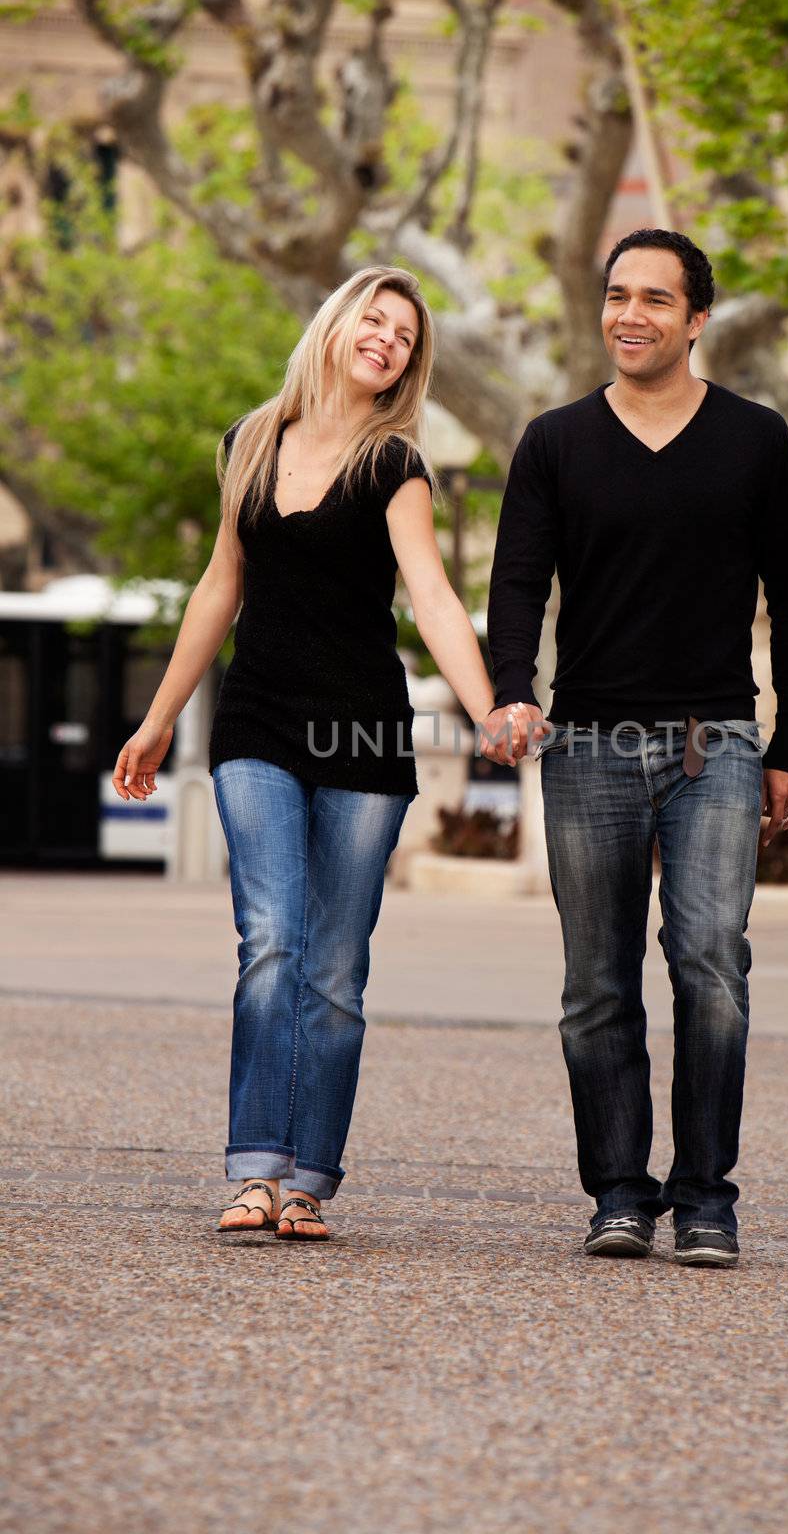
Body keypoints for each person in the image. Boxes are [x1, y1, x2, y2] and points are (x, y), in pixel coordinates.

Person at [112, 265, 516, 1242]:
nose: (385, 340)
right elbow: (220, 586)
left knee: (333, 969)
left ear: (408, 366)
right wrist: (160, 715)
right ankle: (253, 1168)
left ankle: (308, 1179)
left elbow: (430, 598)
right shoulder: (251, 441)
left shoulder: (395, 466)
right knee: (272, 941)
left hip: (364, 732)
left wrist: (491, 707)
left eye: (404, 336)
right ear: (336, 325)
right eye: (371, 320)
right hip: (256, 722)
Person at [487, 229, 788, 1268]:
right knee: (595, 982)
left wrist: (787, 745)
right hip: (585, 743)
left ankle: (706, 1197)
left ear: (694, 320)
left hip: (712, 743)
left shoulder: (755, 439)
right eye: (615, 295)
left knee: (710, 966)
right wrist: (509, 692)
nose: (629, 314)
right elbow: (515, 584)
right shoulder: (552, 441)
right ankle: (619, 1192)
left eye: (654, 299)